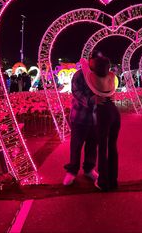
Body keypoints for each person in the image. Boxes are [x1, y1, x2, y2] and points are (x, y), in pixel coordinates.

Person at [81, 55, 121, 191]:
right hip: (114, 111)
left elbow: (83, 64)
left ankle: (103, 181)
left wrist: (90, 62)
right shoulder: (111, 76)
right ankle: (113, 180)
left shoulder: (93, 77)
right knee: (113, 147)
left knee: (103, 148)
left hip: (103, 112)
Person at [63, 51, 102, 186]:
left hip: (96, 118)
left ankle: (89, 169)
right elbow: (76, 92)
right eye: (95, 60)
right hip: (80, 117)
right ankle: (72, 171)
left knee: (92, 145)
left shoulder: (101, 75)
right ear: (90, 60)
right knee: (76, 145)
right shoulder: (79, 75)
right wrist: (91, 100)